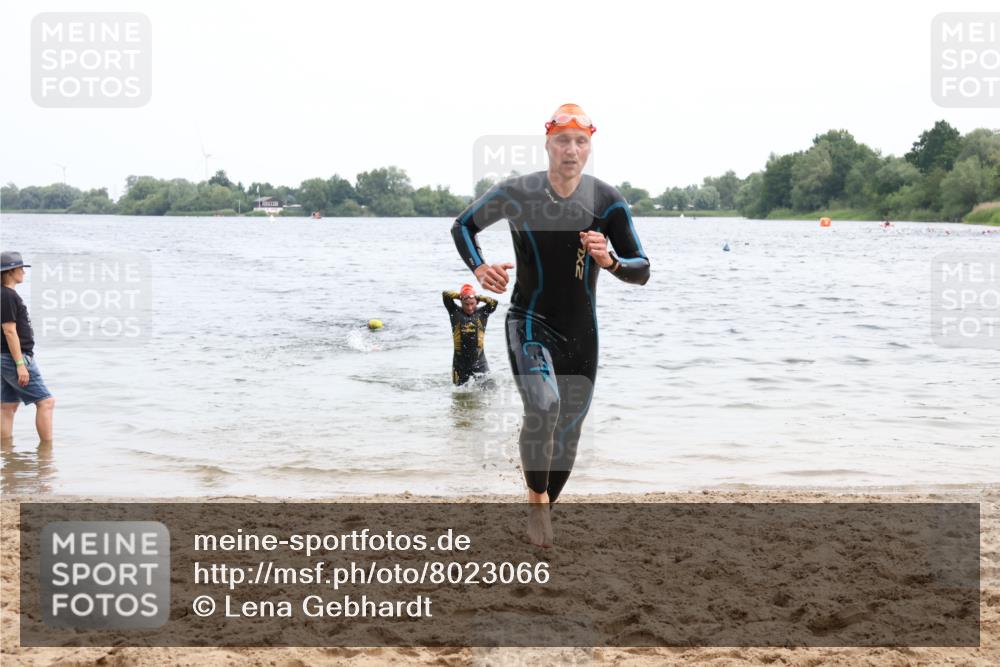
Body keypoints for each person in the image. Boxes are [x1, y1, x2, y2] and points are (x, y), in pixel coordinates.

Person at [451, 103, 650, 547]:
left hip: (583, 332)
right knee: (543, 407)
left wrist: (610, 260)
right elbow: (463, 226)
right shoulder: (518, 193)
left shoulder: (606, 201)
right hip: (528, 321)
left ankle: (540, 500)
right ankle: (538, 506)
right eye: (563, 140)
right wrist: (481, 268)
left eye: (581, 141)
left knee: (569, 432)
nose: (571, 149)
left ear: (589, 146)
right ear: (548, 144)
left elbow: (642, 268)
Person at [1, 251, 55, 449]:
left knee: (7, 406)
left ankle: (6, 453)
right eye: (21, 268)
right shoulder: (7, 295)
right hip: (12, 357)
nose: (23, 272)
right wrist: (20, 364)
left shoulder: (4, 294)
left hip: (3, 357)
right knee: (46, 402)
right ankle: (47, 453)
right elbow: (8, 330)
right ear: (11, 271)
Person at [442, 284, 498, 385]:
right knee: (459, 395)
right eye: (466, 304)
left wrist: (478, 297)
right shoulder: (454, 311)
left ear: (476, 302)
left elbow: (494, 303)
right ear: (461, 302)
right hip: (459, 366)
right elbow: (446, 295)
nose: (469, 307)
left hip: (480, 364)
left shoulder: (482, 313)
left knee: (490, 391)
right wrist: (461, 295)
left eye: (472, 303)